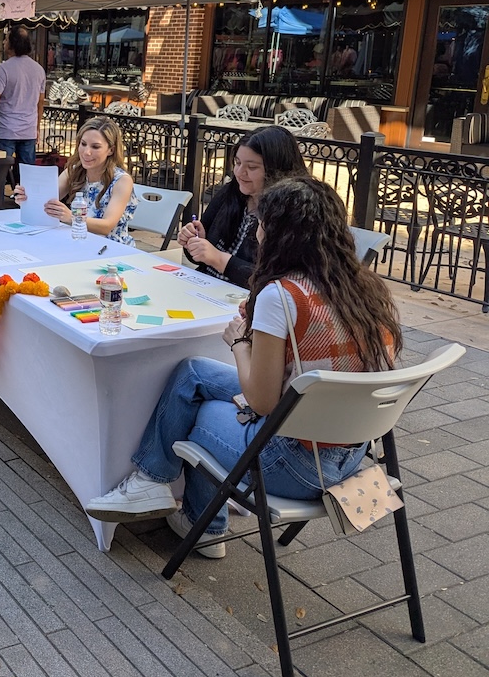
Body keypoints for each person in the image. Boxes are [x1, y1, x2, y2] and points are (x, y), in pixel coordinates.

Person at [84, 177, 402, 558]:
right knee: (193, 372)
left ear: (281, 234)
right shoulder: (365, 288)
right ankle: (151, 480)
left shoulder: (283, 295)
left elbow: (263, 402)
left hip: (297, 464)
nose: (258, 231)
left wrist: (239, 342)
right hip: (352, 454)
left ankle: (203, 524)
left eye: (263, 224)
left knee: (202, 413)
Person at [177, 125, 308, 287]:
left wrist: (219, 259)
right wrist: (196, 243)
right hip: (206, 288)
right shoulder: (230, 193)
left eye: (251, 167)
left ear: (277, 170)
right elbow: (201, 259)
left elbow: (279, 284)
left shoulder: (293, 212)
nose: (239, 172)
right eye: (237, 163)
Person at [12, 117, 138, 245]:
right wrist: (26, 198)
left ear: (111, 150)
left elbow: (106, 226)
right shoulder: (74, 171)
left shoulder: (122, 181)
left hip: (111, 248)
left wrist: (71, 217)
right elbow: (45, 202)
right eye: (83, 144)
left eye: (95, 147)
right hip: (79, 242)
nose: (86, 152)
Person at [0, 27, 46, 166]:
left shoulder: (3, 69)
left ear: (12, 44)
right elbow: (40, 102)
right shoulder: (39, 69)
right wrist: (37, 127)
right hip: (28, 130)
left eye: (6, 39)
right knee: (27, 174)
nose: (3, 42)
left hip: (5, 130)